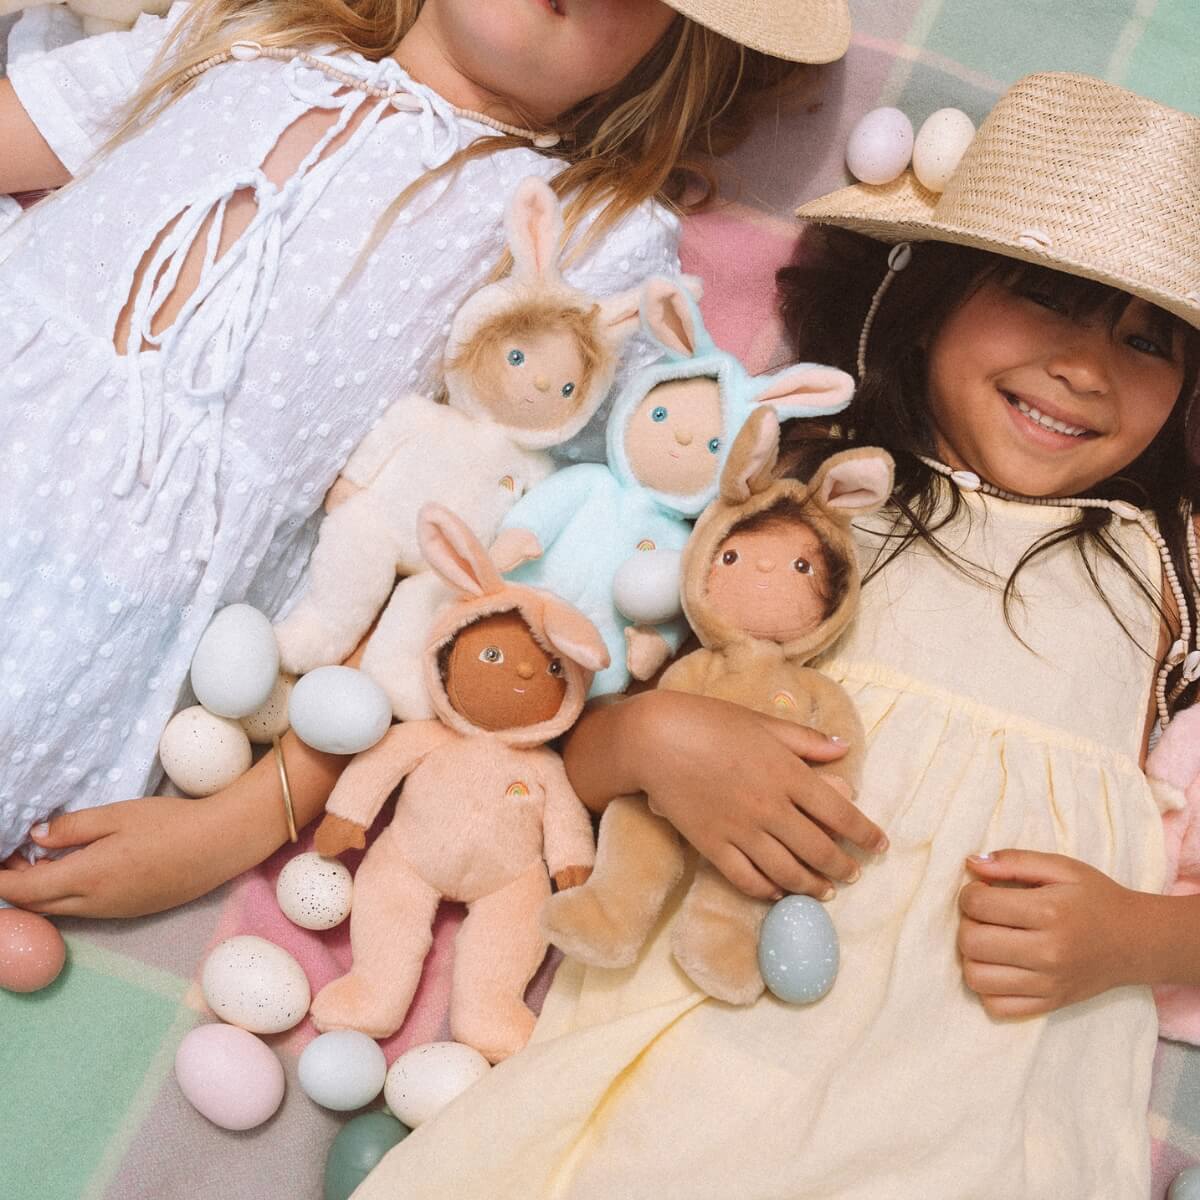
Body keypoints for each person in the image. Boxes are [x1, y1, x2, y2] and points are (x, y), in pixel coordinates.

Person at [338, 72, 1200, 1199]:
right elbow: (549, 766)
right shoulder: (791, 495)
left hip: (983, 1109)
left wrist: (1143, 938)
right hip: (707, 1061)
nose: (1086, 368)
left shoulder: (1169, 566)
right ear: (933, 295)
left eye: (1149, 341)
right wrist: (656, 740)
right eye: (1043, 297)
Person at [0, 0, 850, 917]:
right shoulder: (241, 31)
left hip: (96, 597)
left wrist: (239, 824)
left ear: (672, 51)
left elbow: (462, 580)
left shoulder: (590, 233)